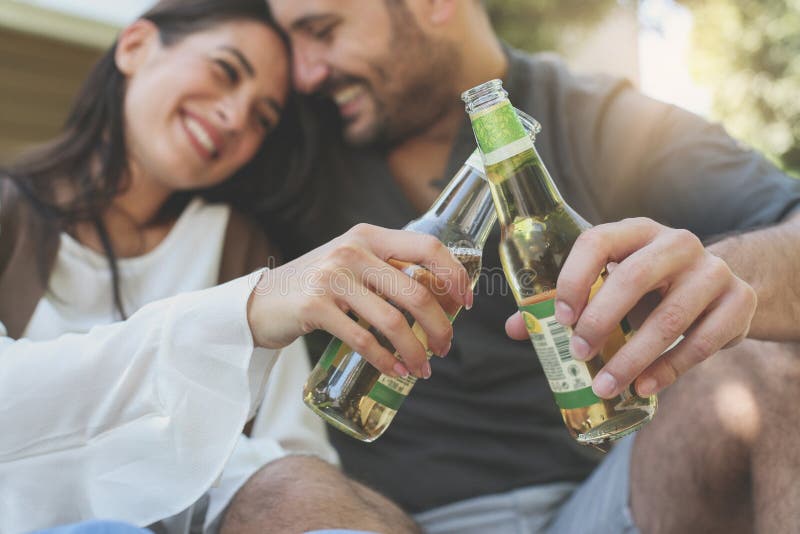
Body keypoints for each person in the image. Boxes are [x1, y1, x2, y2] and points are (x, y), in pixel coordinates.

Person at [249, 0, 800, 532]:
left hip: (608, 496)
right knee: (274, 490)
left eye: (321, 30)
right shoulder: (289, 142)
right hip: (384, 516)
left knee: (770, 366)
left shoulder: (604, 120)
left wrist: (720, 278)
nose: (302, 72)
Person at [0, 1, 471, 533]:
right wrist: (239, 314)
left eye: (262, 116)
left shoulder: (239, 247)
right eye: (224, 71)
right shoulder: (10, 216)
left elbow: (293, 453)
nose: (234, 117)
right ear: (135, 47)